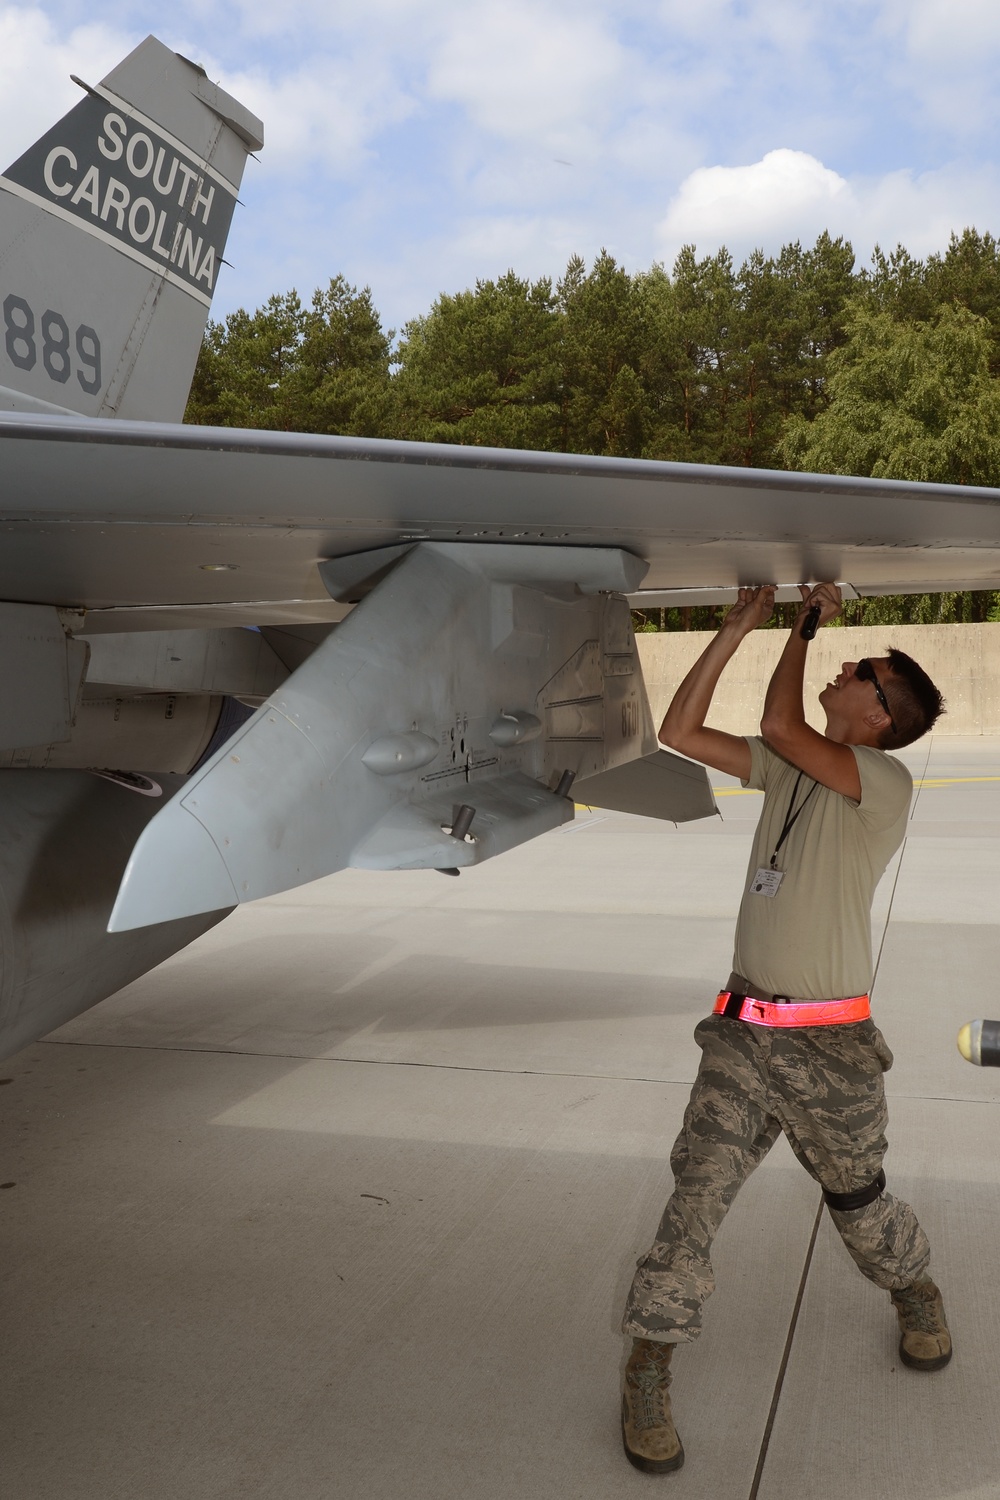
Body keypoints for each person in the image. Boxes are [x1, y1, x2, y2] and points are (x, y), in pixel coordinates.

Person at [620, 582, 949, 1476]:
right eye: (845, 659)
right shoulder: (796, 769)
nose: (842, 669)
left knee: (858, 1201)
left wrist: (804, 623)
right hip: (741, 1031)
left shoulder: (881, 781)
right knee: (696, 1198)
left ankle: (915, 1291)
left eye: (859, 672)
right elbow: (680, 733)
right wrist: (735, 628)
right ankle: (649, 1367)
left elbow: (777, 722)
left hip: (831, 1049)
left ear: (881, 714)